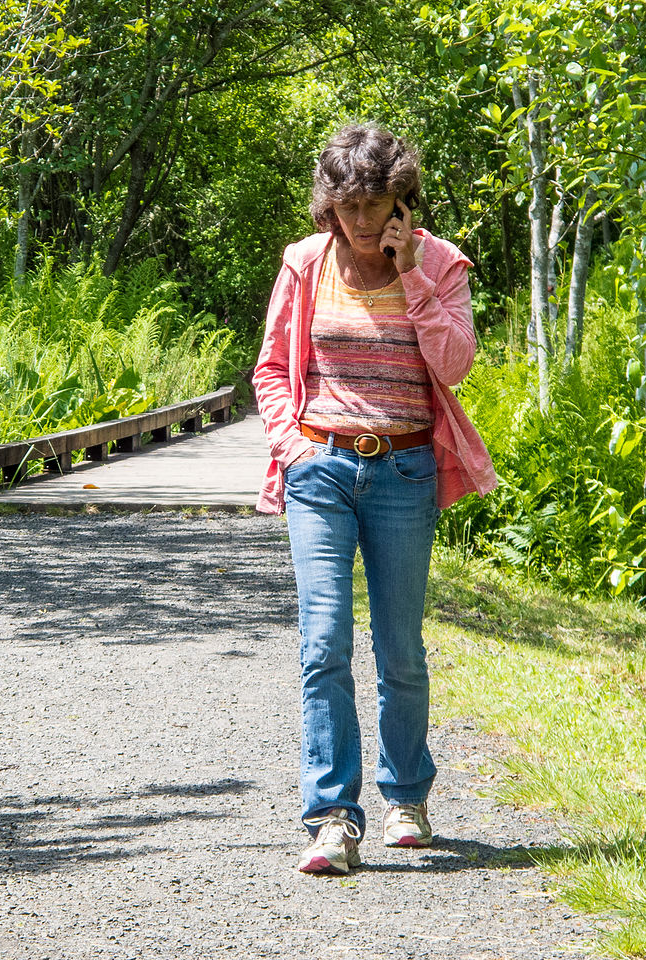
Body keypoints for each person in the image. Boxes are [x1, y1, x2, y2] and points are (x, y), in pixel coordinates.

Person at [253, 124, 497, 875]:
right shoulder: (304, 263)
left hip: (405, 472)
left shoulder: (443, 264)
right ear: (330, 204)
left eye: (377, 205)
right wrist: (294, 449)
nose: (361, 222)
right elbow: (268, 372)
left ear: (402, 203)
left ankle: (407, 800)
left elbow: (453, 365)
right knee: (323, 644)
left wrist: (415, 275)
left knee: (401, 651)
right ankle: (331, 818)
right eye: (348, 205)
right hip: (320, 471)